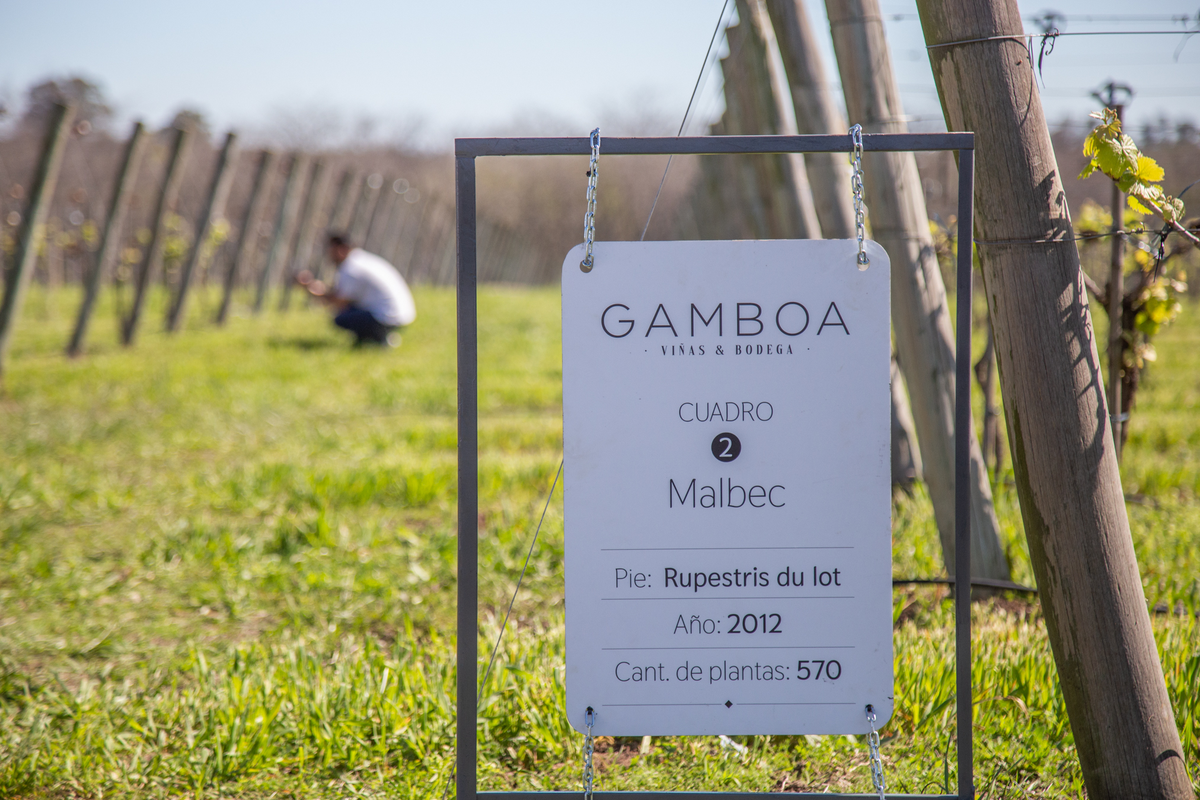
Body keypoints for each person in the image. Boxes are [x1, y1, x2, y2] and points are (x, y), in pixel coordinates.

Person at [296, 233, 416, 347]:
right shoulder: (360, 260)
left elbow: (339, 301)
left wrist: (310, 287)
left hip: (388, 317)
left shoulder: (350, 268)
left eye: (332, 250)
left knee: (342, 318)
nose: (329, 255)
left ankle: (379, 339)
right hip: (401, 315)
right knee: (349, 312)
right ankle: (371, 340)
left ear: (341, 249)